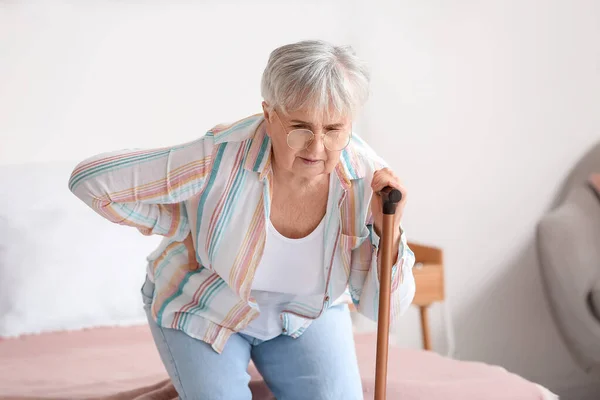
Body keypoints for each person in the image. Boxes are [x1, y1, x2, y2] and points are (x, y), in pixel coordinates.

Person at [69, 39, 416, 400]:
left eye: (333, 130)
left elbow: (385, 309)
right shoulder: (219, 156)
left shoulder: (366, 179)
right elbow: (90, 181)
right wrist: (183, 223)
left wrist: (385, 231)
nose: (317, 148)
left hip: (304, 314)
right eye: (300, 127)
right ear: (269, 115)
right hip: (204, 307)